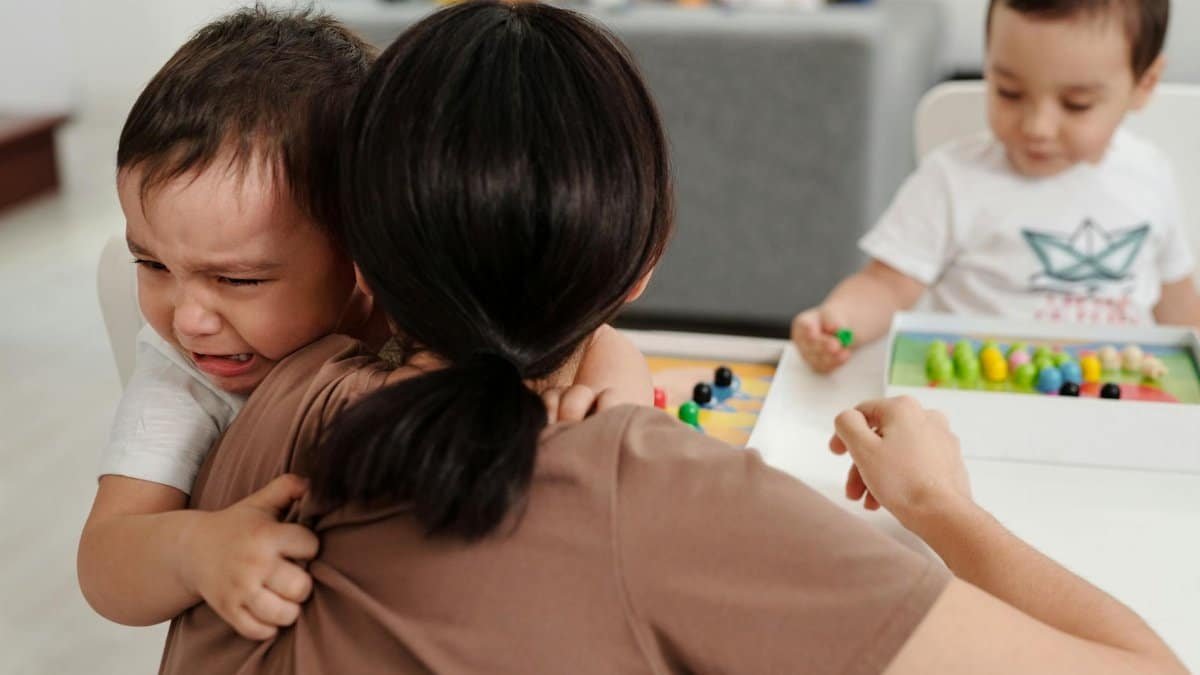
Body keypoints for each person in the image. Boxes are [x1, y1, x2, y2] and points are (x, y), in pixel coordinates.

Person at [158, 2, 1186, 673]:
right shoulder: (663, 498)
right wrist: (943, 510)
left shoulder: (272, 400)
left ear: (362, 269)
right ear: (646, 259)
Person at [77, 6, 650, 642]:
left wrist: (612, 405)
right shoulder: (183, 380)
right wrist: (196, 550)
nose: (186, 319)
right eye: (150, 263)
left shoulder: (419, 309)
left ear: (367, 251)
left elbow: (596, 343)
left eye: (238, 280)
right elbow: (106, 561)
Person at [794, 0, 1200, 373]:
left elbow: (1177, 299)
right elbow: (884, 286)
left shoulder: (1150, 175)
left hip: (1117, 397)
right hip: (977, 401)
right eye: (1009, 93)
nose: (1036, 127)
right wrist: (840, 323)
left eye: (1076, 104)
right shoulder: (953, 179)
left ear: (1145, 84)